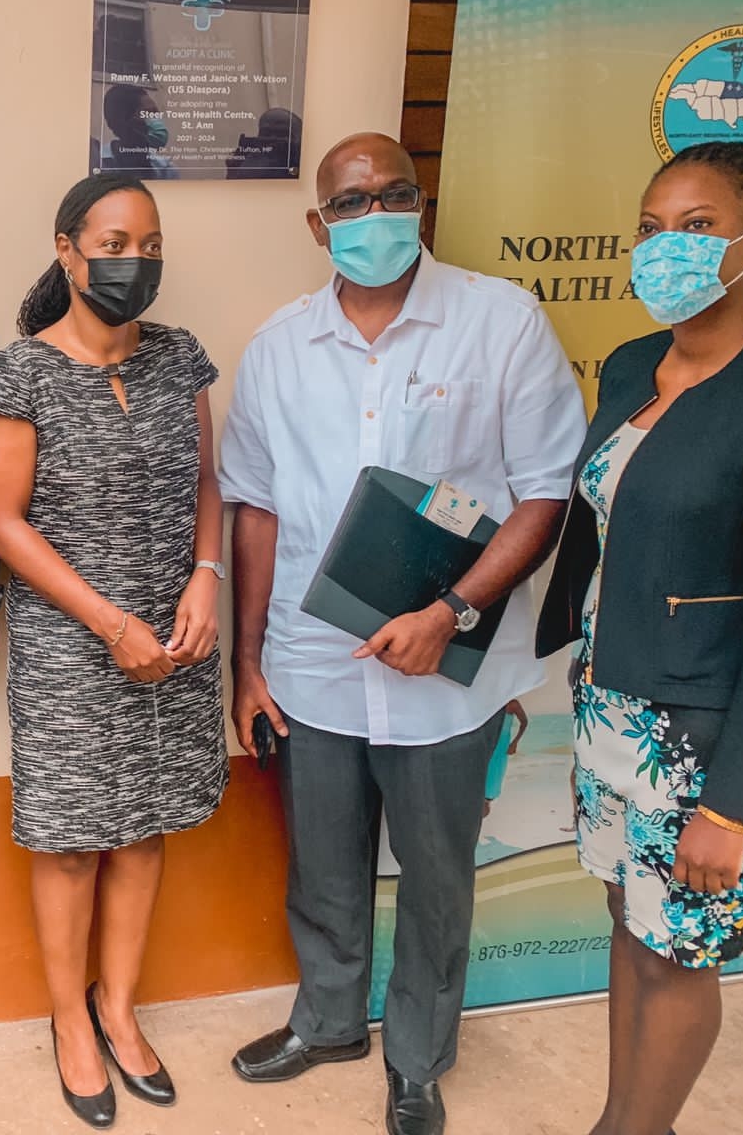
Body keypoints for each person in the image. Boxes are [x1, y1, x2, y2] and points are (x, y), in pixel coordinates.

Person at [218, 132, 587, 1135]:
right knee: (324, 867)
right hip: (312, 666)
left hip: (446, 672)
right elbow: (253, 508)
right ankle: (329, 1021)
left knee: (432, 879)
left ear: (419, 204)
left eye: (391, 195)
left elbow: (544, 490)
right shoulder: (278, 347)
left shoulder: (500, 323)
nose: (371, 216)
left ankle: (419, 1059)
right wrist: (246, 665)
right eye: (348, 203)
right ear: (316, 224)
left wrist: (453, 612)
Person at [536, 140, 743, 1135]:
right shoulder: (638, 363)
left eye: (694, 229)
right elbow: (603, 527)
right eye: (650, 229)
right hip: (611, 706)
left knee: (677, 952)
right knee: (628, 925)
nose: (663, 250)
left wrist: (733, 804)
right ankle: (625, 1121)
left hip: (703, 738)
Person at [0, 174, 226, 1128]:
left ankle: (119, 1011)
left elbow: (208, 482)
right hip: (74, 645)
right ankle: (69, 1022)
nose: (136, 261)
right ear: (69, 251)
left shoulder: (179, 357)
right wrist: (111, 624)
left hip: (178, 634)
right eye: (116, 242)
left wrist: (208, 575)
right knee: (75, 840)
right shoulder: (18, 374)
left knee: (147, 823)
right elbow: (2, 522)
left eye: (151, 246)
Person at [97, 84, 179, 180]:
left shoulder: (165, 170)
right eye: (146, 114)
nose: (156, 121)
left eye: (156, 114)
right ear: (123, 121)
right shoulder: (97, 162)